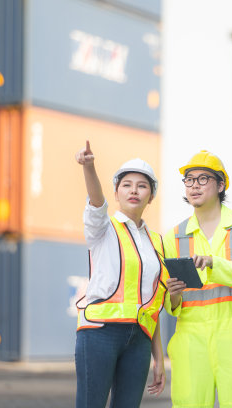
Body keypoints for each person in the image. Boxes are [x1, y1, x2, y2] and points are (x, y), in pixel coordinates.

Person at [164, 150, 232, 408]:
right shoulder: (174, 237)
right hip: (190, 337)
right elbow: (168, 301)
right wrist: (173, 294)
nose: (194, 186)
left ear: (221, 185)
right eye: (189, 179)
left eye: (202, 179)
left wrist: (213, 263)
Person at [74, 140, 167, 408]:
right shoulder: (103, 229)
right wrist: (89, 168)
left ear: (151, 195)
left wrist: (158, 357)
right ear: (116, 193)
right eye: (126, 185)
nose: (134, 191)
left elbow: (152, 305)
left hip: (139, 340)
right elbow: (95, 203)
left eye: (142, 186)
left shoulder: (157, 243)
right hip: (100, 334)